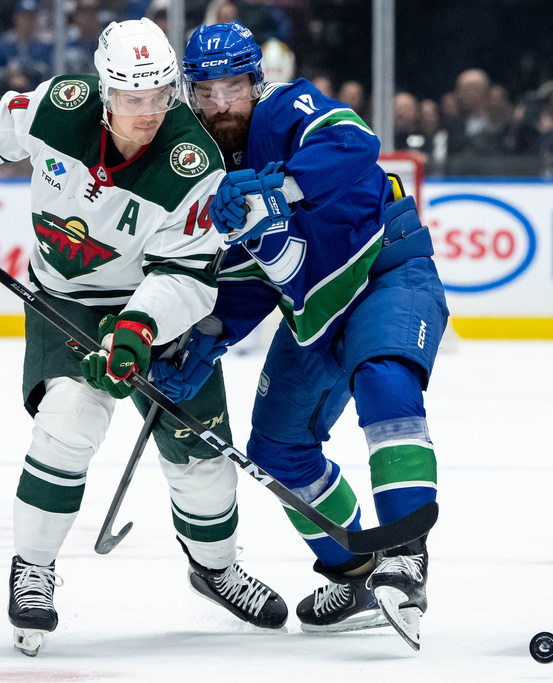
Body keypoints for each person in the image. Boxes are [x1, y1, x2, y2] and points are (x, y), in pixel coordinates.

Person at [0, 17, 287, 657]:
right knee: (70, 419)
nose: (149, 113)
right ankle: (33, 569)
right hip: (65, 297)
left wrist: (138, 328)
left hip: (155, 307)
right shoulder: (61, 107)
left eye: (161, 97)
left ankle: (216, 568)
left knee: (200, 453)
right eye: (134, 99)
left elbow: (188, 277)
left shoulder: (189, 160)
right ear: (105, 91)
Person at [166, 21, 449, 650]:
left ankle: (405, 553)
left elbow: (357, 142)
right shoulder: (200, 160)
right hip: (313, 308)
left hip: (385, 269)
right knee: (277, 453)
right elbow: (250, 274)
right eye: (206, 92)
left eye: (232, 87)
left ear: (254, 81)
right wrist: (212, 331)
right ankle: (358, 571)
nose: (220, 105)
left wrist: (282, 187)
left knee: (384, 378)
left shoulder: (286, 106)